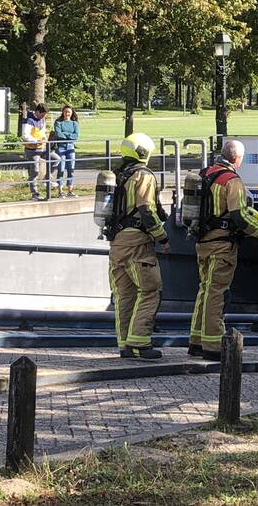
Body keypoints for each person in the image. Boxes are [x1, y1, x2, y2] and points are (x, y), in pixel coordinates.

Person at [189, 139, 258, 360]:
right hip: (222, 245)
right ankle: (213, 345)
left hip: (202, 243)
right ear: (237, 158)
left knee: (204, 290)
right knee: (218, 293)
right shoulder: (231, 180)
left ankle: (196, 341)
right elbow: (239, 215)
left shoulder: (205, 174)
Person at [107, 132, 171, 360]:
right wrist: (162, 237)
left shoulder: (118, 175)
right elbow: (146, 209)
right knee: (151, 290)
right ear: (145, 152)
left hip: (117, 242)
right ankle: (140, 343)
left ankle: (125, 344)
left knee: (125, 295)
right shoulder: (143, 175)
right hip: (136, 243)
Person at [21, 104, 60, 200]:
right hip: (32, 149)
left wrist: (44, 137)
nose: (43, 117)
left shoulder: (42, 120)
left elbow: (42, 131)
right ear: (37, 112)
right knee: (35, 171)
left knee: (56, 159)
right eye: (42, 115)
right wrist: (36, 141)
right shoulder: (29, 121)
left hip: (42, 148)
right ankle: (34, 193)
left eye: (45, 115)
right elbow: (25, 135)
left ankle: (47, 179)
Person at [52, 105, 79, 197]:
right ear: (63, 112)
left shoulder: (74, 123)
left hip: (71, 147)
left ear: (71, 113)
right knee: (61, 168)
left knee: (71, 168)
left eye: (69, 112)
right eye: (66, 112)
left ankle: (70, 190)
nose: (67, 114)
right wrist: (69, 135)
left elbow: (76, 136)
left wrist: (66, 135)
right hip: (61, 147)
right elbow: (59, 134)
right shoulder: (58, 122)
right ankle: (60, 190)